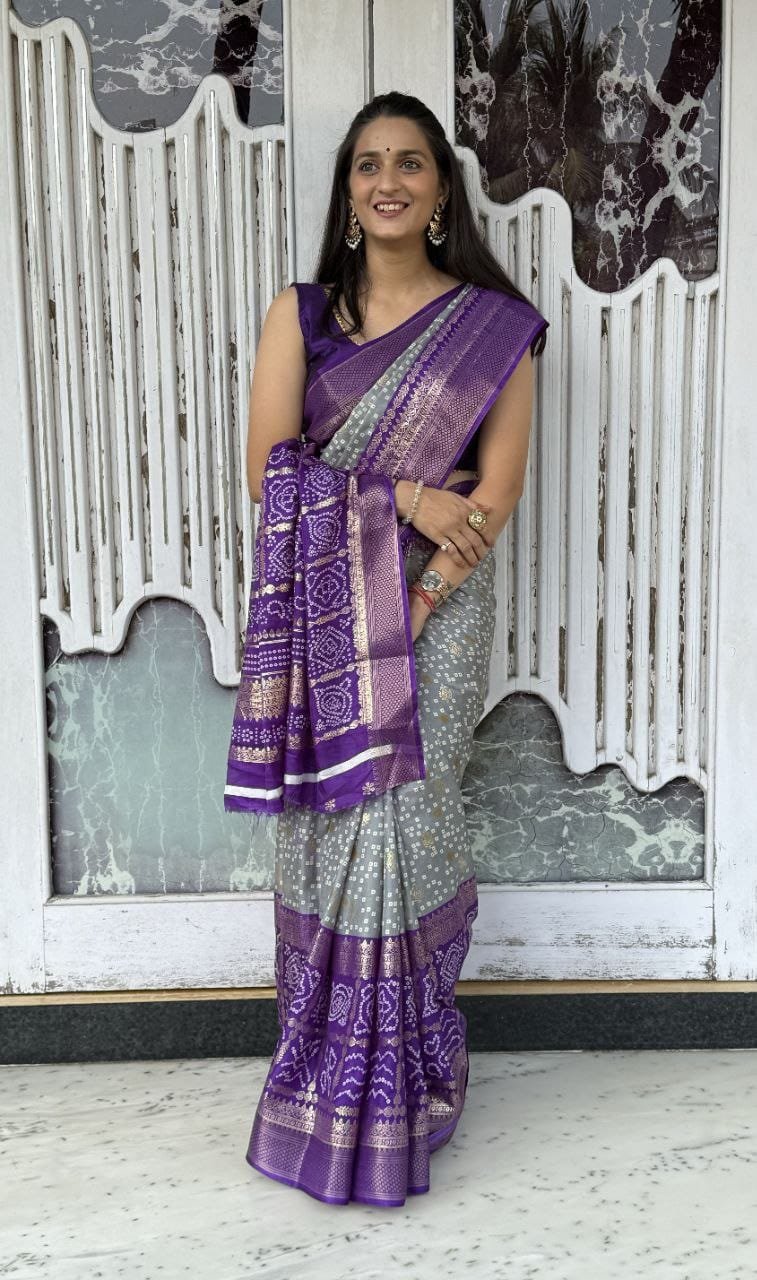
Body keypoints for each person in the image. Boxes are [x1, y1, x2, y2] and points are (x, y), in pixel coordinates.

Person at [224, 90, 549, 1207]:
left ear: (441, 190)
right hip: (325, 613)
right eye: (369, 164)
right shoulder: (303, 315)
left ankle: (408, 1079)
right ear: (349, 193)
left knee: (407, 820)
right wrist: (402, 495)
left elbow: (494, 492)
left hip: (441, 607)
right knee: (335, 829)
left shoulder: (495, 327)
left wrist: (414, 598)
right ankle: (324, 1079)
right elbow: (271, 471)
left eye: (411, 162)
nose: (389, 181)